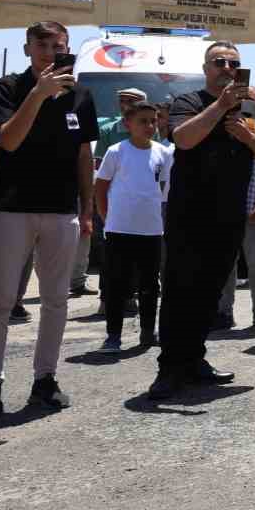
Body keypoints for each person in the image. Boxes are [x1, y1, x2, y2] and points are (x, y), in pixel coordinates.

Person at [148, 42, 255, 401]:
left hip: (230, 215)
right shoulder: (188, 102)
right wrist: (221, 106)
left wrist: (248, 135)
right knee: (179, 292)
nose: (226, 67)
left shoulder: (252, 109)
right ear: (206, 68)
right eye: (219, 62)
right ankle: (169, 368)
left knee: (210, 293)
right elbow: (184, 139)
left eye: (233, 63)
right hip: (189, 214)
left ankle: (194, 359)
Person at [0, 21, 99, 414]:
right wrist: (38, 95)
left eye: (59, 46)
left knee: (56, 301)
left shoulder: (81, 96)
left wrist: (86, 208)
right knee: (0, 301)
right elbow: (9, 140)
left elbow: (83, 155)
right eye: (42, 44)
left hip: (61, 210)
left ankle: (45, 379)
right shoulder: (6, 89)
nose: (50, 51)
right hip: (10, 209)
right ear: (27, 49)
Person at [93, 101, 172, 352]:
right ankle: (113, 335)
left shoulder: (164, 153)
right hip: (119, 229)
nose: (150, 126)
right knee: (117, 284)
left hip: (151, 230)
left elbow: (163, 189)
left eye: (153, 120)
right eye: (143, 121)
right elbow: (101, 187)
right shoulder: (117, 151)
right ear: (128, 124)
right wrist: (107, 218)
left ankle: (148, 332)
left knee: (150, 285)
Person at [218, 86, 255, 333]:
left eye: (252, 100)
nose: (246, 103)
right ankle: (224, 312)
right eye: (244, 98)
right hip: (228, 208)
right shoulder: (225, 124)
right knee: (226, 263)